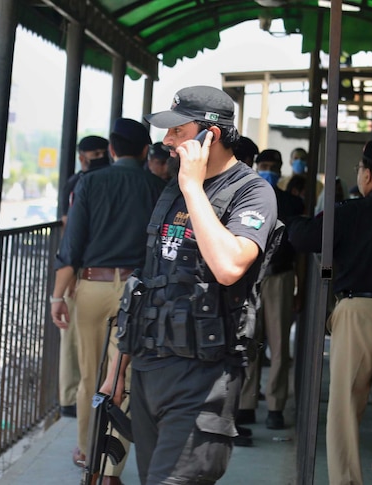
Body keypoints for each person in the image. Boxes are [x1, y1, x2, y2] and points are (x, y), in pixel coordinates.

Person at [101, 85, 278, 484]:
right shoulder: (174, 189)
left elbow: (230, 266)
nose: (165, 142)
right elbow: (145, 283)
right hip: (149, 369)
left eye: (177, 132)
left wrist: (194, 188)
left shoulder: (251, 191)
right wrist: (117, 371)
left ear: (208, 135)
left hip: (203, 376)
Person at [287, 140, 372, 485]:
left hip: (357, 311)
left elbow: (302, 237)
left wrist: (292, 213)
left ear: (369, 174)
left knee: (345, 409)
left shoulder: (350, 211)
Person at [50, 118, 165, 484]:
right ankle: (111, 470)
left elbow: (72, 247)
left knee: (90, 377)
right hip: (138, 290)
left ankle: (87, 454)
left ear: (112, 150)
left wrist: (57, 296)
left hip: (92, 287)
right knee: (124, 380)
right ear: (146, 151)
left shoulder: (89, 183)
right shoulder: (157, 187)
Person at [237, 149, 304, 433]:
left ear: (281, 169)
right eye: (263, 165)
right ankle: (246, 404)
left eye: (273, 166)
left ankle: (275, 406)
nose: (268, 170)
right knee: (249, 341)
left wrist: (301, 287)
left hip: (280, 277)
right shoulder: (247, 197)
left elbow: (300, 249)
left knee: (278, 346)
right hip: (251, 277)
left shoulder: (291, 202)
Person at [57, 135, 111, 419]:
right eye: (95, 154)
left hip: (83, 267)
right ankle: (70, 398)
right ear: (82, 157)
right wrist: (70, 275)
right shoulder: (78, 183)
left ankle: (74, 397)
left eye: (103, 152)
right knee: (75, 336)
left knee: (78, 335)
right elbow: (69, 229)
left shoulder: (83, 182)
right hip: (79, 268)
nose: (99, 158)